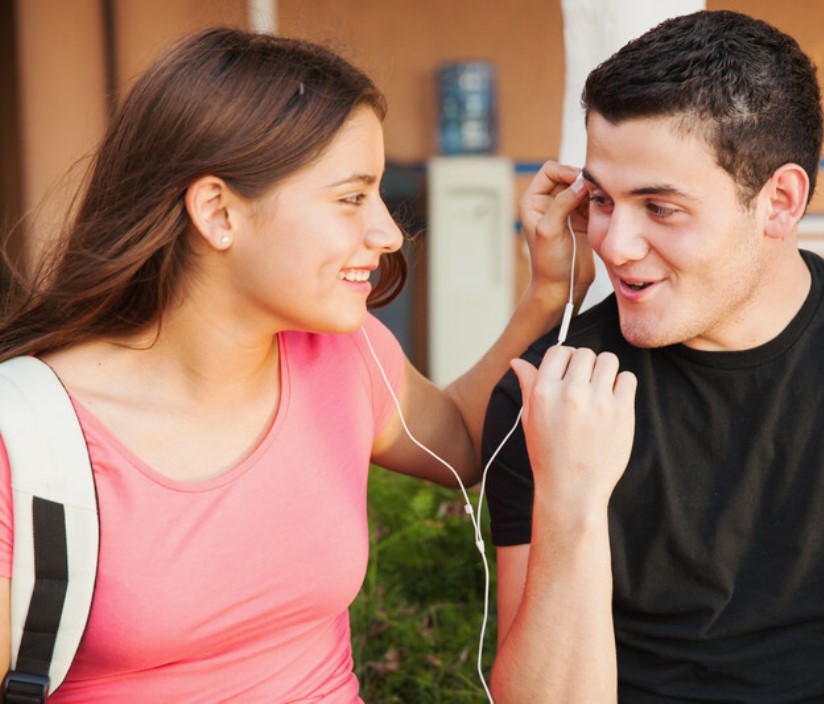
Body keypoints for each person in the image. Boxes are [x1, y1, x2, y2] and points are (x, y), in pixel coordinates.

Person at [0, 27, 591, 701]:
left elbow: (463, 441)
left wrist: (549, 292)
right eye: (351, 197)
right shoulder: (24, 437)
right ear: (219, 212)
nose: (389, 234)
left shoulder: (345, 353)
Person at [482, 9, 824, 703]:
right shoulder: (552, 396)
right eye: (601, 199)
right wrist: (572, 502)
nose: (614, 244)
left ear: (779, 201)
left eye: (659, 207)